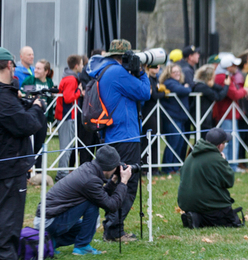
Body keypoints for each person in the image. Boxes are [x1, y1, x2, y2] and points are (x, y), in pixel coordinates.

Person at [86, 39, 151, 242]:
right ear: (123, 57)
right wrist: (141, 72)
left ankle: (111, 226)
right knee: (128, 181)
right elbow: (145, 92)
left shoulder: (105, 71)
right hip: (126, 136)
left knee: (115, 182)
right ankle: (114, 229)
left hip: (115, 135)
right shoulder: (117, 72)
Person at [34, 146, 131, 255]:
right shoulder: (91, 180)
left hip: (46, 219)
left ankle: (51, 243)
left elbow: (100, 195)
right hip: (48, 221)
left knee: (84, 227)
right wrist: (123, 182)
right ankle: (82, 246)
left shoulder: (88, 169)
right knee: (92, 204)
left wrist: (113, 181)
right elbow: (112, 206)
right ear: (109, 167)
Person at [0, 47, 45, 260]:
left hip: (9, 162)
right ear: (10, 65)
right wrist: (36, 108)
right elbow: (26, 125)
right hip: (9, 164)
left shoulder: (8, 96)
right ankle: (5, 258)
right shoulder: (4, 99)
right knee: (10, 213)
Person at [178, 128, 242, 228]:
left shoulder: (191, 154)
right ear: (220, 145)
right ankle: (198, 219)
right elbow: (229, 181)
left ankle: (195, 217)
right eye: (225, 143)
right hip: (210, 206)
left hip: (187, 205)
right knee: (231, 220)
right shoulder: (216, 158)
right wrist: (223, 161)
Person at [213, 53, 248, 171]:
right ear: (228, 67)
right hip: (226, 113)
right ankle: (230, 166)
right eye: (234, 65)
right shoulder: (223, 77)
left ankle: (231, 165)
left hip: (228, 113)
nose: (236, 67)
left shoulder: (224, 75)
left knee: (230, 140)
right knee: (227, 141)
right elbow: (235, 94)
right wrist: (245, 90)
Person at [159, 64, 192, 174]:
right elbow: (182, 91)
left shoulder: (177, 83)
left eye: (179, 71)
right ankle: (168, 168)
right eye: (174, 72)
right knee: (173, 143)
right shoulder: (169, 82)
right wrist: (187, 88)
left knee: (179, 143)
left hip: (179, 118)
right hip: (172, 117)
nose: (177, 73)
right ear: (169, 73)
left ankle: (174, 167)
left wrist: (186, 87)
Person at [21, 59, 54, 171]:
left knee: (40, 144)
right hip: (31, 116)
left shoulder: (49, 82)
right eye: (35, 67)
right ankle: (28, 171)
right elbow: (24, 94)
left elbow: (50, 100)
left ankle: (39, 169)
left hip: (43, 118)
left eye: (39, 68)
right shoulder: (29, 80)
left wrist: (50, 117)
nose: (35, 70)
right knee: (29, 144)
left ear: (46, 71)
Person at [55, 55, 84, 182]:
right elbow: (68, 98)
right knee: (66, 146)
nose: (83, 66)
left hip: (65, 115)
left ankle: (62, 171)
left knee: (67, 145)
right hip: (66, 116)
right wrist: (79, 92)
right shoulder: (72, 79)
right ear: (77, 66)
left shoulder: (67, 77)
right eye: (82, 64)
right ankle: (62, 173)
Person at [141, 64, 166, 173]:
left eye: (157, 65)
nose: (156, 68)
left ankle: (154, 167)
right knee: (148, 140)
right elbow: (154, 95)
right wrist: (163, 92)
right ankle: (145, 167)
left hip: (156, 112)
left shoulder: (156, 79)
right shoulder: (147, 78)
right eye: (153, 66)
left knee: (155, 140)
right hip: (148, 113)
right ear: (147, 67)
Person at [192, 64, 229, 130]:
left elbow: (220, 89)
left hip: (204, 116)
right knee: (203, 136)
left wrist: (213, 85)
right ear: (210, 76)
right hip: (202, 117)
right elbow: (218, 97)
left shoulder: (202, 85)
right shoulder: (202, 87)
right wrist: (226, 85)